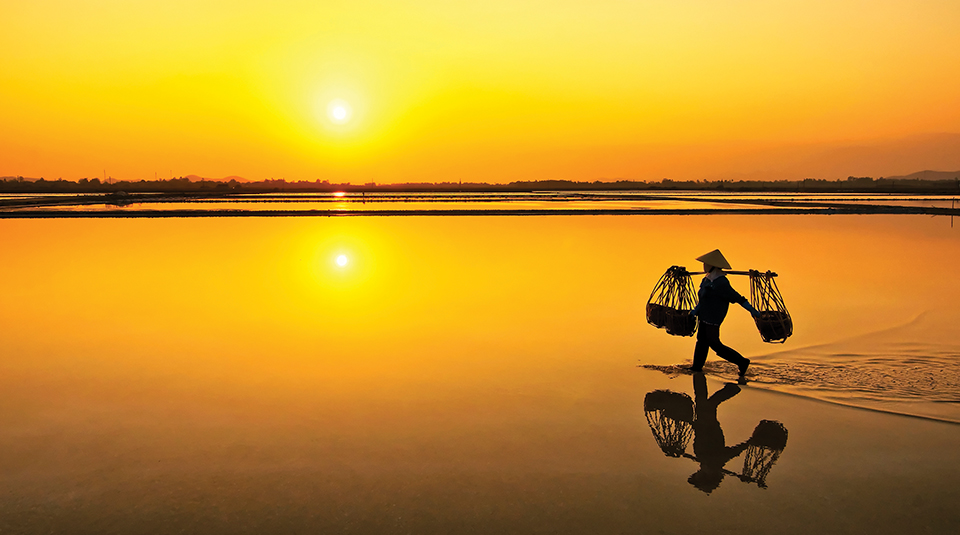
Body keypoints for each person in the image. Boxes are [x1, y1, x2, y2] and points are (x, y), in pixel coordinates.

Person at [688, 249, 760, 377]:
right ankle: (696, 368)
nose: (704, 266)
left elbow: (738, 298)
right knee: (701, 341)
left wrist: (752, 311)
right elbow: (702, 300)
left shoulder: (721, 283)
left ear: (713, 266)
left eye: (706, 264)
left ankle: (742, 362)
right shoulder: (707, 280)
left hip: (713, 317)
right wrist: (695, 311)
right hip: (703, 316)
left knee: (714, 343)